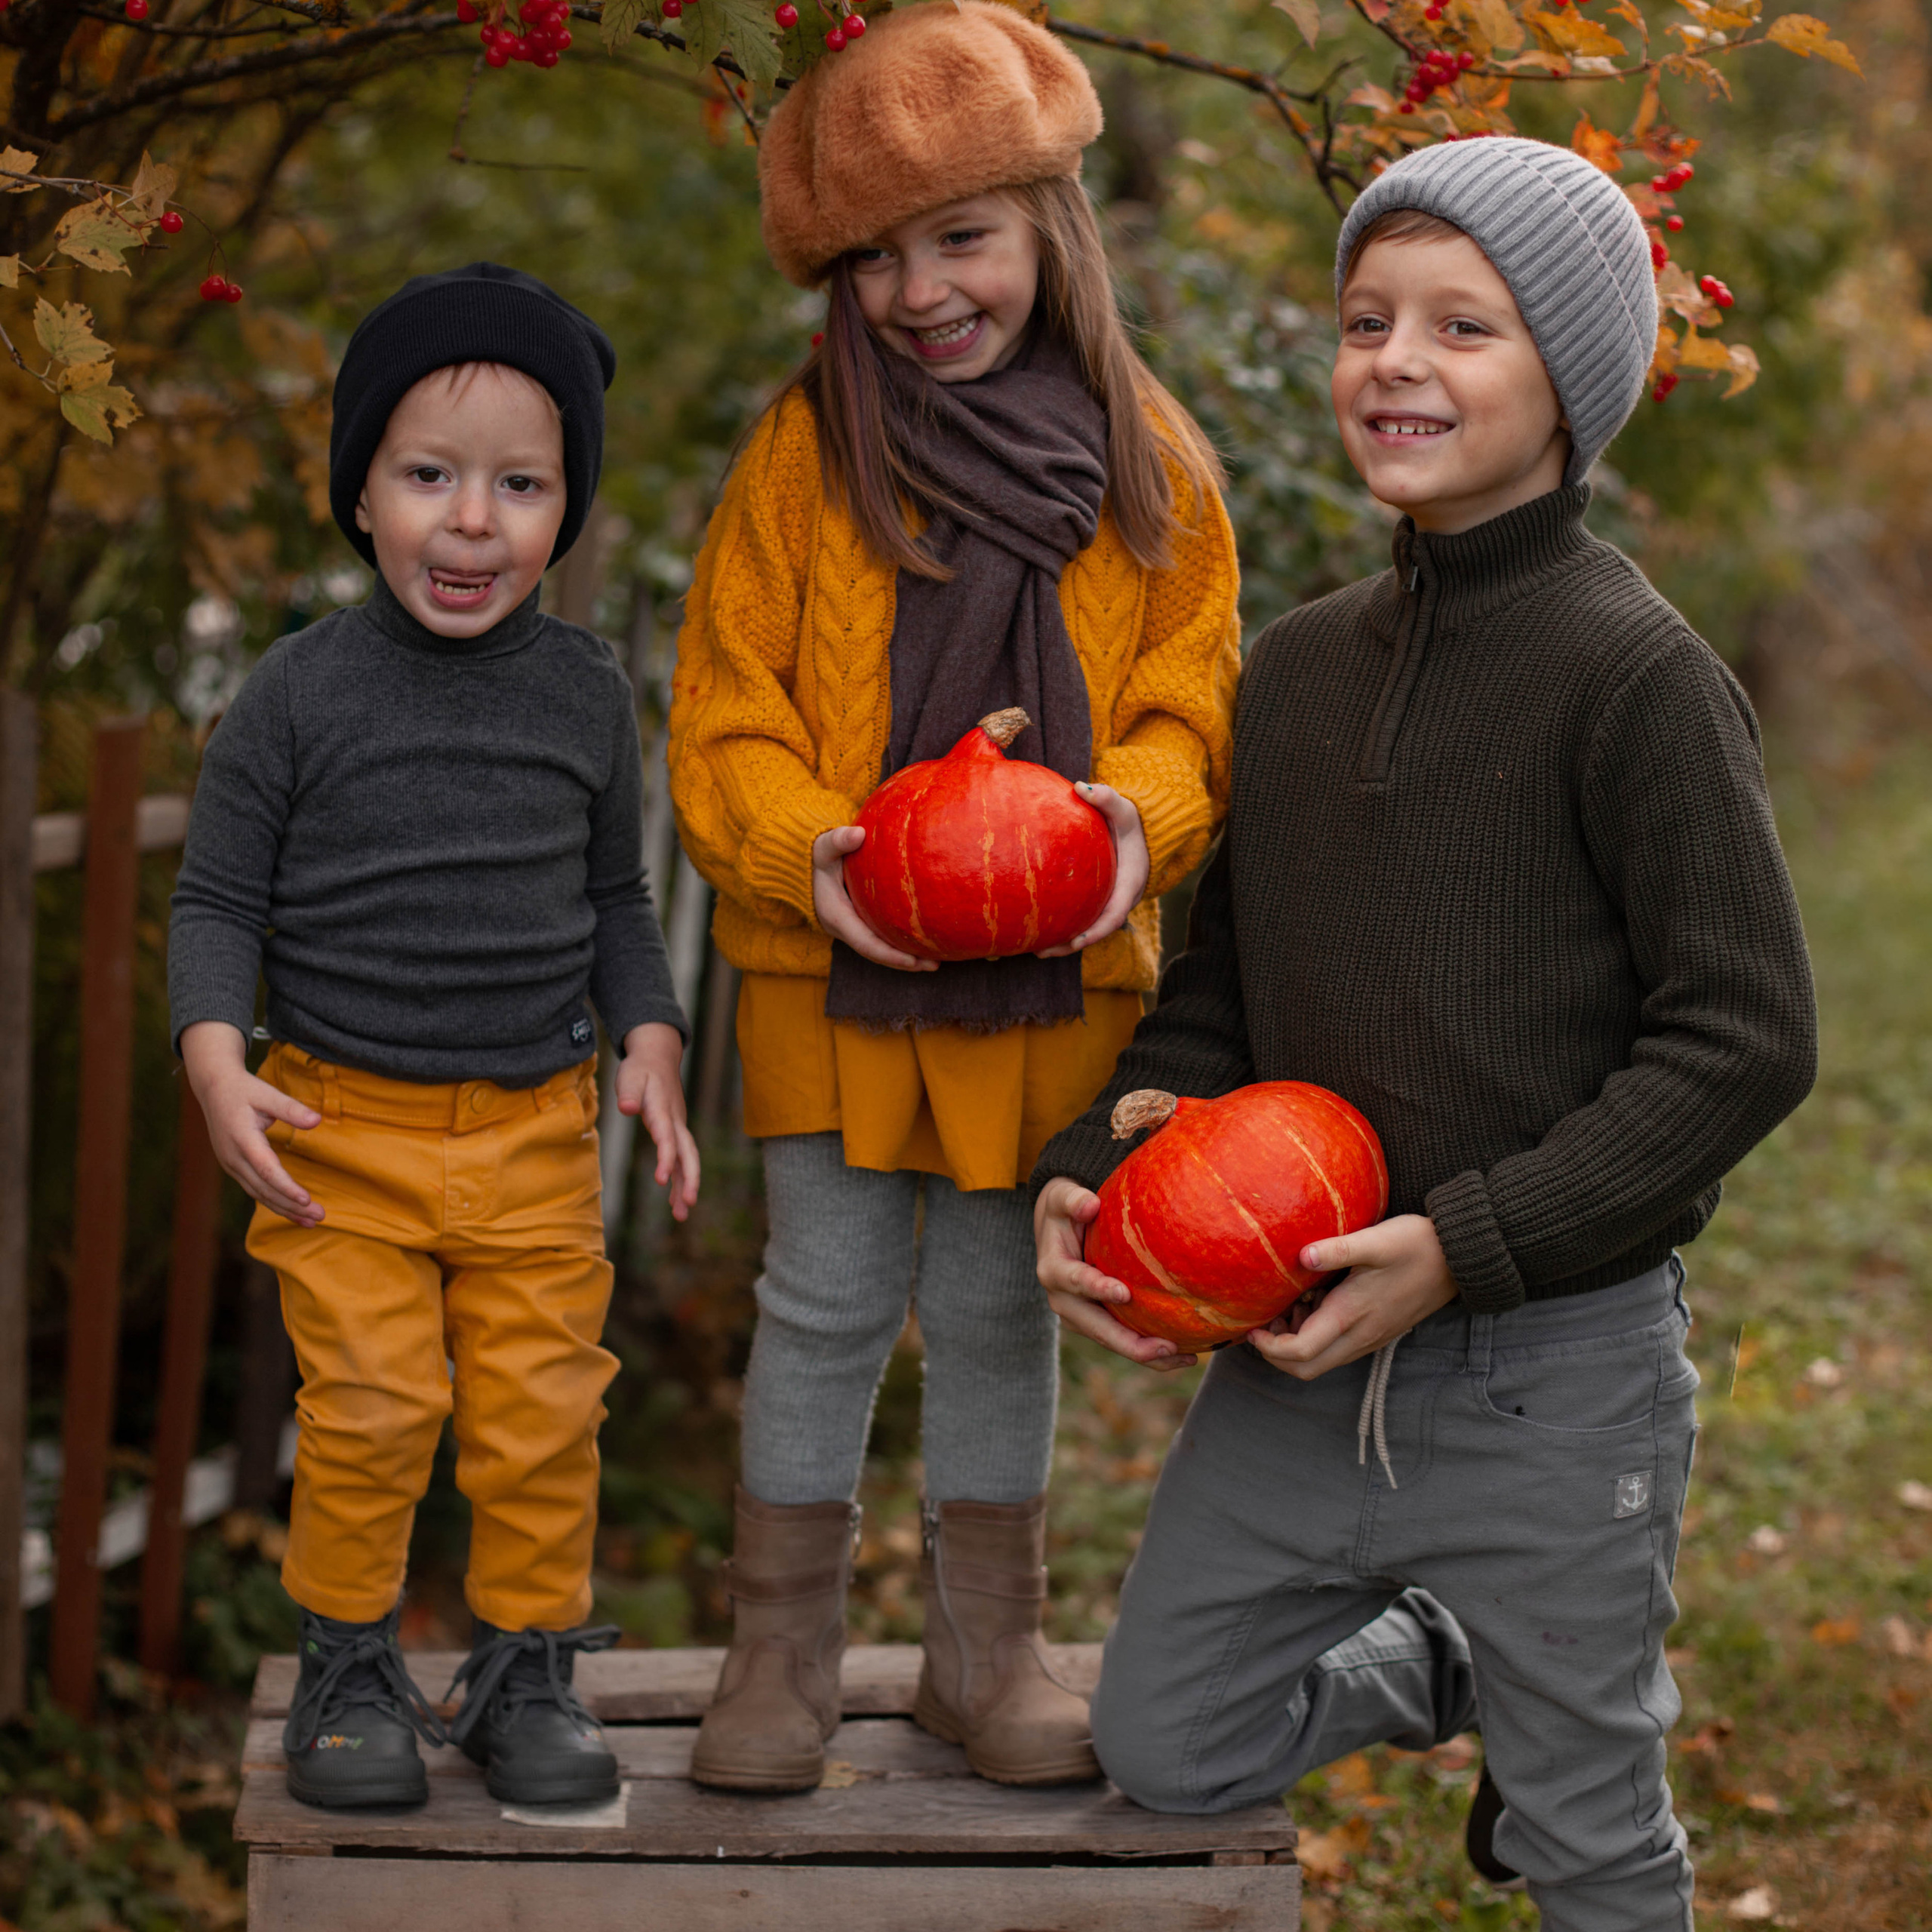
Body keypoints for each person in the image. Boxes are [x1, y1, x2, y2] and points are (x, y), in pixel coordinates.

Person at [1032, 137, 1817, 1930]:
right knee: (1163, 1733)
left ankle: (1520, 1696)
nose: (1396, 359)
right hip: (1294, 1354)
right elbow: (1215, 990)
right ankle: (1444, 1664)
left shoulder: (1635, 677)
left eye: (1464, 325)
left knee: (1585, 1840)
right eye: (1366, 317)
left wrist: (1465, 1245)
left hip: (1554, 1368)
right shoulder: (1292, 671)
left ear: (1572, 383)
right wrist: (1098, 1169)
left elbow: (1745, 1033)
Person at [667, 1, 1240, 1793]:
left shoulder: (1149, 459)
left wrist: (1124, 819)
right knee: (824, 1296)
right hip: (835, 961)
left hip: (1051, 975)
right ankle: (783, 1649)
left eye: (961, 237)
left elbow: (1188, 699)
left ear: (1048, 227)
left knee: (999, 1303)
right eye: (875, 259)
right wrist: (803, 850)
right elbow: (726, 703)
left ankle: (984, 1650)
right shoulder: (798, 457)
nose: (921, 290)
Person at [169, 263, 699, 1813]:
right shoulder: (295, 694)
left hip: (535, 1126)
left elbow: (613, 893)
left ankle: (522, 1662)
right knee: (374, 1405)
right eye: (428, 475)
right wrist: (215, 1053)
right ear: (361, 492)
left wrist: (650, 1032)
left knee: (543, 1407)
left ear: (564, 507)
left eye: (520, 485)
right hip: (341, 1127)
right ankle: (347, 1659)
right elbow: (215, 899)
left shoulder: (586, 693)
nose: (471, 523)